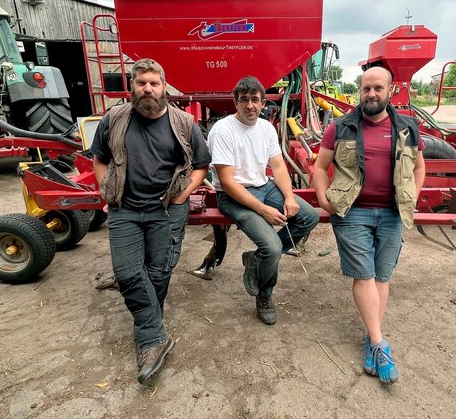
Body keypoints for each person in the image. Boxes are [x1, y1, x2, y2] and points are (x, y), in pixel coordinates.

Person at [90, 58, 211, 384]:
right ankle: (154, 336)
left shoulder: (184, 123)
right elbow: (99, 158)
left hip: (167, 209)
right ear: (132, 86)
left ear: (164, 87)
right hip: (125, 209)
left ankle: (147, 333)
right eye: (141, 83)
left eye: (154, 83)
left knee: (159, 273)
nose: (147, 89)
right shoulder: (114, 119)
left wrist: (184, 194)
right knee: (128, 273)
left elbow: (202, 164)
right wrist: (105, 190)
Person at [311, 67, 426, 385]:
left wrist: (412, 195)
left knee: (382, 277)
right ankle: (379, 343)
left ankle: (372, 338)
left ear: (390, 91)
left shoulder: (408, 127)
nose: (371, 94)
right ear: (359, 91)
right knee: (365, 275)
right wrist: (322, 196)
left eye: (377, 88)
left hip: (392, 212)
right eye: (365, 88)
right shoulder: (341, 127)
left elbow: (419, 167)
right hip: (353, 212)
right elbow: (320, 167)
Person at [208, 76, 319, 325]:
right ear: (235, 102)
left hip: (264, 186)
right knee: (272, 246)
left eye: (255, 100)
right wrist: (263, 210)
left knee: (308, 217)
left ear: (263, 103)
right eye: (244, 100)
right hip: (233, 195)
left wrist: (289, 197)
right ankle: (265, 296)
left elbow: (278, 167)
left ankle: (257, 259)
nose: (250, 105)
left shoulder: (266, 127)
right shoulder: (223, 130)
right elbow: (227, 182)